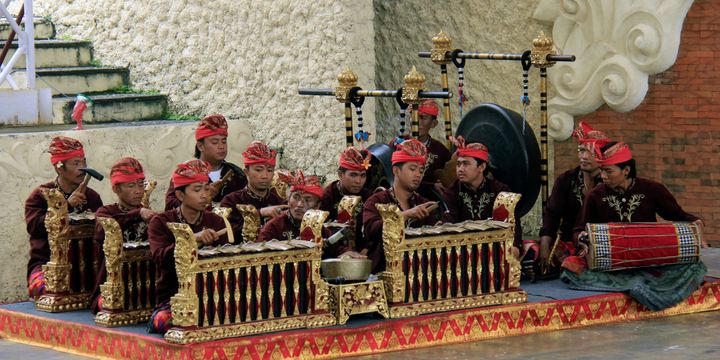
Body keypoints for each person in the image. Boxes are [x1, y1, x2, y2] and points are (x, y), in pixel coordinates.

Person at [561, 141, 707, 311]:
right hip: (611, 263)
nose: (603, 176)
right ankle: (635, 283)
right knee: (570, 266)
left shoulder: (652, 190)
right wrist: (583, 240)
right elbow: (578, 229)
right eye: (601, 170)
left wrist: (697, 224)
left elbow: (679, 216)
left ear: (626, 170)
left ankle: (636, 284)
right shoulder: (596, 195)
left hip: (648, 260)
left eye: (608, 171)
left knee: (693, 265)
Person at [148, 160, 229, 333]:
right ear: (180, 196)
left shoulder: (216, 221)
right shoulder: (161, 222)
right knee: (164, 321)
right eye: (197, 189)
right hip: (174, 297)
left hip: (211, 295)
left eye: (206, 189)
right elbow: (160, 258)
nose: (204, 195)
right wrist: (191, 240)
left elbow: (226, 260)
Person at [25, 136, 103, 299]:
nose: (82, 168)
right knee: (47, 291)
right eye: (76, 164)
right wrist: (65, 206)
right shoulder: (40, 196)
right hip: (48, 265)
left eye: (83, 162)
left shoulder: (92, 197)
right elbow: (34, 227)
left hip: (87, 267)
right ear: (59, 167)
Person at [536, 122, 609, 270]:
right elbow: (552, 214)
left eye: (590, 152)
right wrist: (544, 244)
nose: (584, 156)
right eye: (581, 150)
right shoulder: (566, 180)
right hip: (569, 243)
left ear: (602, 155)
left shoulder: (609, 182)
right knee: (531, 250)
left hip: (601, 245)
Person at [89, 157, 156, 313]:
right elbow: (102, 231)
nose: (138, 191)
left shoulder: (150, 215)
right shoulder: (106, 213)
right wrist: (136, 214)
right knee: (111, 304)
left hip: (147, 285)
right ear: (116, 189)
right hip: (114, 285)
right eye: (131, 185)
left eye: (141, 185)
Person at [362, 139, 438, 273]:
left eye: (421, 170)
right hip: (385, 272)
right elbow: (371, 230)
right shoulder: (376, 201)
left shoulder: (422, 203)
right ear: (396, 171)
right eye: (412, 169)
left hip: (420, 273)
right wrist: (407, 214)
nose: (418, 174)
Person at [441, 136, 521, 253]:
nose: (460, 169)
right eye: (458, 164)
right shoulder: (451, 193)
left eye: (466, 164)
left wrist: (514, 247)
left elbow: (512, 225)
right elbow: (449, 229)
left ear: (481, 167)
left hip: (495, 249)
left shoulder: (500, 191)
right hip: (463, 251)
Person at [164, 114, 247, 210]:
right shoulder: (185, 173)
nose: (221, 146)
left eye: (224, 141)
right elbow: (170, 206)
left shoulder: (236, 173)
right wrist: (203, 195)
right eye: (215, 142)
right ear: (200, 146)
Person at [220, 140, 287, 239]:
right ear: (246, 172)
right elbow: (228, 234)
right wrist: (259, 213)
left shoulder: (279, 202)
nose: (265, 176)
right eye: (258, 170)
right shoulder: (231, 201)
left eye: (269, 170)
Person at [319, 147, 371, 250]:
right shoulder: (327, 197)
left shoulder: (369, 197)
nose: (358, 181)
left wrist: (367, 249)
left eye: (363, 176)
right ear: (340, 174)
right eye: (353, 175)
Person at [413, 99, 452, 202]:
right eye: (414, 116)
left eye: (423, 118)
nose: (417, 122)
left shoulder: (440, 151)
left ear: (433, 123)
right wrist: (430, 185)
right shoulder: (398, 144)